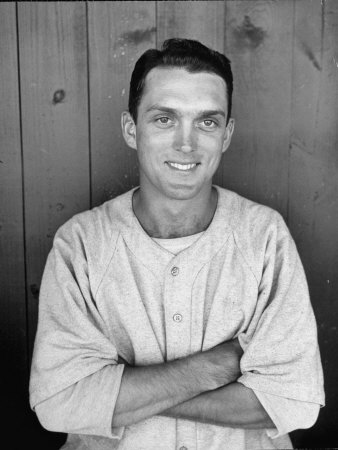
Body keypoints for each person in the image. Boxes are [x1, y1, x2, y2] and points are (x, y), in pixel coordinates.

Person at [29, 38, 324, 450]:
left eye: (207, 122)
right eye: (164, 119)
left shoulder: (264, 237)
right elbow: (58, 403)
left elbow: (294, 401)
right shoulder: (81, 244)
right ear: (131, 129)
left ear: (226, 134)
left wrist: (118, 392)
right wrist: (213, 367)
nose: (186, 143)